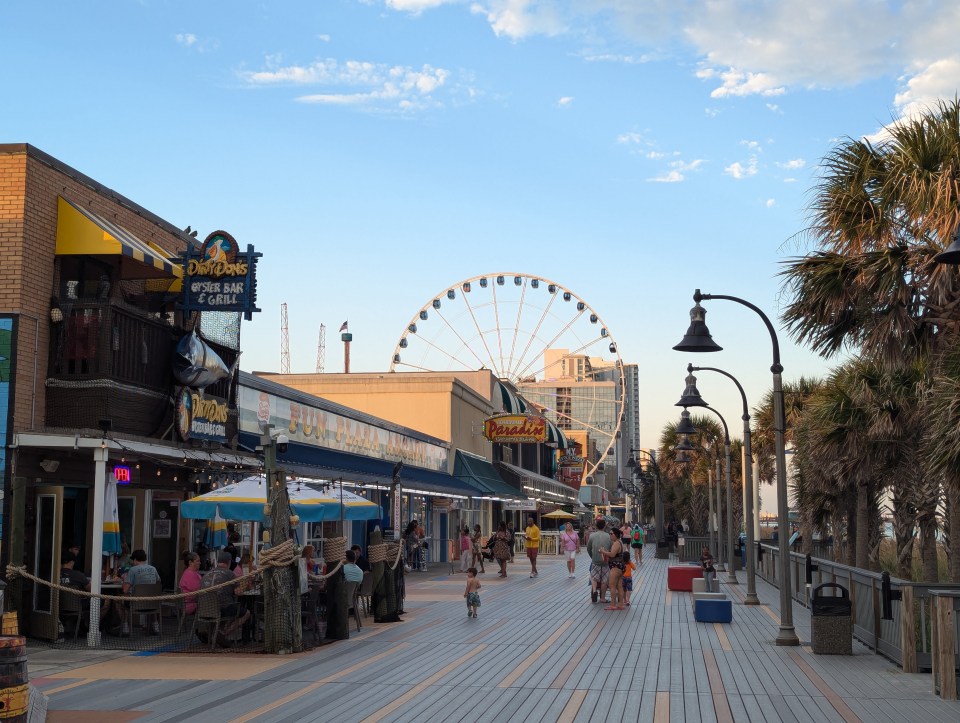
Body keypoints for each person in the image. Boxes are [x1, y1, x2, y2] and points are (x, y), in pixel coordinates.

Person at [201, 550, 251, 646]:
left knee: (230, 610)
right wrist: (247, 581)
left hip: (205, 609)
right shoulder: (230, 574)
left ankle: (216, 633)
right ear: (229, 562)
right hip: (222, 608)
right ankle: (224, 634)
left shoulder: (207, 573)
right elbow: (238, 592)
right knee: (246, 613)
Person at [122, 549, 161, 635]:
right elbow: (158, 583)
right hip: (153, 605)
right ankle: (155, 625)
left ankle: (125, 627)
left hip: (137, 605)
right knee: (152, 596)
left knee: (120, 601)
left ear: (135, 559)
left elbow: (125, 589)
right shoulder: (153, 569)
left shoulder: (132, 570)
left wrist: (125, 579)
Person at [586, 518, 612, 604]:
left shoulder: (592, 536)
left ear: (596, 526)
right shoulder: (608, 536)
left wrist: (592, 556)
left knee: (594, 577)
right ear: (604, 526)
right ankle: (602, 598)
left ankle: (594, 590)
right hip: (605, 561)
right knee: (604, 580)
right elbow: (611, 548)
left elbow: (588, 548)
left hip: (595, 560)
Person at [601, 528, 626, 610]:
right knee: (619, 586)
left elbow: (612, 554)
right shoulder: (620, 542)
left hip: (615, 567)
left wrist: (603, 551)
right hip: (620, 567)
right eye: (609, 533)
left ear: (616, 534)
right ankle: (621, 604)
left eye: (611, 534)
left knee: (612, 586)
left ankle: (613, 604)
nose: (610, 535)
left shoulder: (616, 543)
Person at [179, 551, 202, 616]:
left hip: (190, 603)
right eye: (198, 561)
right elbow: (199, 591)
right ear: (190, 562)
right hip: (191, 605)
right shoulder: (190, 574)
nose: (200, 563)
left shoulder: (190, 572)